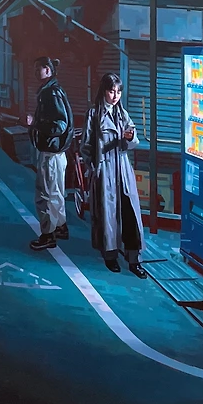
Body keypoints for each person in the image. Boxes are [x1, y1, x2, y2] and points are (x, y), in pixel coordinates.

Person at [84, 73, 147, 278]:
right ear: (103, 91)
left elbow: (133, 140)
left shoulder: (122, 113)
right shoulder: (94, 114)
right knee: (107, 214)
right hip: (104, 169)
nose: (115, 96)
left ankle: (134, 259)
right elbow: (86, 145)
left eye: (119, 91)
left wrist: (129, 137)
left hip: (122, 167)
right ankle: (110, 255)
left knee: (130, 212)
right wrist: (93, 167)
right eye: (112, 91)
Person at [24, 56, 72, 251]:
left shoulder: (49, 93)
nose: (37, 72)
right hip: (59, 152)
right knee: (57, 192)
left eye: (41, 68)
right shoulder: (55, 90)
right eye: (36, 68)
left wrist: (34, 122)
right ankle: (60, 227)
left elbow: (59, 125)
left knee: (44, 195)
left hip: (50, 151)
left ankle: (48, 235)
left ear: (49, 70)